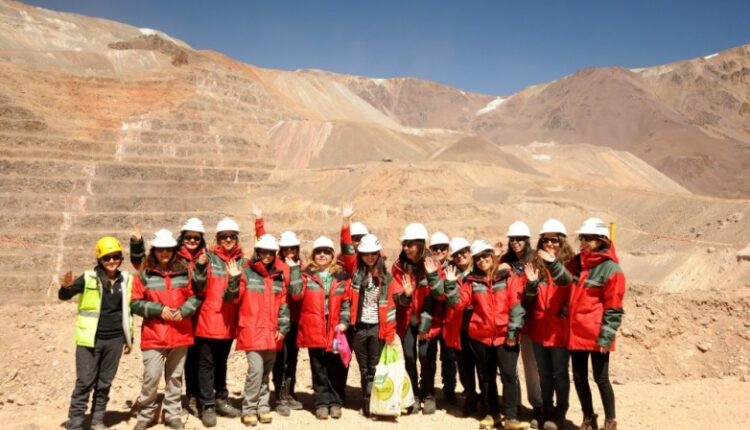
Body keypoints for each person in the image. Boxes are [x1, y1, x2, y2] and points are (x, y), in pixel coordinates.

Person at [538, 218, 625, 430]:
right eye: (582, 238)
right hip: (576, 332)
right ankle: (588, 417)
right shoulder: (578, 262)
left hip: (596, 333)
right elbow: (564, 280)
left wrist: (607, 336)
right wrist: (552, 263)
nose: (583, 242)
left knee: (601, 378)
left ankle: (610, 421)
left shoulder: (611, 269)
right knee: (578, 377)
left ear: (600, 241)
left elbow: (613, 307)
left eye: (587, 238)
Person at [129, 217, 209, 417]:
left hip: (180, 334)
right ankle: (147, 413)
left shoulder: (184, 271)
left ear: (174, 250)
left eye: (168, 249)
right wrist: (159, 310)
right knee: (151, 377)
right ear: (154, 250)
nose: (164, 253)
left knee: (175, 378)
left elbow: (196, 294)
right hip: (154, 335)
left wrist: (184, 311)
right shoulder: (145, 273)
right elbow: (134, 302)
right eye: (160, 249)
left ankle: (172, 413)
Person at [445, 240, 528, 430]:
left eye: (485, 256)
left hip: (505, 336)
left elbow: (516, 306)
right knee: (486, 376)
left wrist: (513, 332)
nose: (482, 260)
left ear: (492, 256)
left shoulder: (508, 277)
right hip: (480, 337)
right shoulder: (472, 281)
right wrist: (450, 285)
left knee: (508, 376)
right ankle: (493, 413)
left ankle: (511, 417)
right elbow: (458, 304)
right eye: (478, 258)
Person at [59, 236, 134, 430]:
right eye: (107, 257)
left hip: (115, 340)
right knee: (84, 382)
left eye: (116, 257)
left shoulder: (126, 279)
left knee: (104, 383)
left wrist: (129, 337)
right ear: (99, 259)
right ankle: (75, 422)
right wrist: (65, 288)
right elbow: (66, 295)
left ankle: (97, 420)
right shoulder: (88, 278)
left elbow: (129, 310)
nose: (112, 261)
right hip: (89, 339)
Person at [224, 233, 292, 426]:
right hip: (252, 331)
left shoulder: (278, 278)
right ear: (257, 252)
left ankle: (263, 407)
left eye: (271, 252)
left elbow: (284, 305)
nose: (267, 256)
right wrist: (234, 279)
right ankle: (249, 409)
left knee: (265, 372)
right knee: (256, 371)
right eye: (263, 252)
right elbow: (232, 299)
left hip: (272, 333)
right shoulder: (246, 273)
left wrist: (284, 327)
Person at [290, 231, 352, 420]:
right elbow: (295, 294)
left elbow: (346, 302)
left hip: (334, 329)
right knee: (318, 368)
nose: (322, 255)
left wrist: (344, 322)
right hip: (314, 328)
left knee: (335, 367)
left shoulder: (341, 276)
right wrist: (293, 270)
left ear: (332, 255)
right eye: (319, 251)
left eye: (326, 251)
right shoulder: (306, 275)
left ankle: (335, 402)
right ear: (313, 255)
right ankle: (321, 403)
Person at [194, 218, 245, 427]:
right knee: (206, 364)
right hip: (208, 319)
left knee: (221, 362)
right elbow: (198, 287)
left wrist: (234, 278)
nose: (228, 240)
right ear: (218, 238)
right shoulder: (209, 258)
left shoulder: (242, 261)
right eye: (224, 237)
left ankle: (221, 399)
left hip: (227, 321)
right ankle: (207, 404)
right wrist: (199, 267)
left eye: (232, 236)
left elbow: (235, 296)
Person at [524, 219, 575, 430]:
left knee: (560, 373)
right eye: (546, 240)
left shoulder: (570, 264)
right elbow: (528, 299)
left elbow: (573, 287)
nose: (550, 244)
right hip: (539, 328)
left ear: (561, 241)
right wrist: (531, 285)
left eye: (554, 240)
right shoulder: (535, 264)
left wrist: (567, 309)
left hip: (559, 330)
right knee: (544, 373)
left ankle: (560, 411)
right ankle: (546, 407)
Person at [391, 222, 446, 415]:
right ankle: (412, 394)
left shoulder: (433, 265)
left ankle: (428, 393)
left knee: (426, 355)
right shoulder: (399, 266)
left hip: (428, 319)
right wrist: (406, 295)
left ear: (421, 245)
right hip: (406, 319)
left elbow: (438, 296)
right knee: (408, 356)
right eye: (404, 244)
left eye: (410, 244)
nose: (406, 248)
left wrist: (425, 325)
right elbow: (396, 295)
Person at [345, 233, 398, 417]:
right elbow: (345, 248)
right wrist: (346, 222)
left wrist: (389, 333)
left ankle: (373, 405)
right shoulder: (356, 272)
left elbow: (391, 306)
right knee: (364, 367)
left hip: (377, 328)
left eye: (373, 253)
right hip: (359, 327)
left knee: (375, 368)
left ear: (378, 253)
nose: (369, 257)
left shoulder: (386, 277)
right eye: (365, 253)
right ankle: (367, 402)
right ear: (360, 255)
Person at [502, 221, 543, 427]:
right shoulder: (505, 262)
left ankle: (537, 405)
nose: (515, 243)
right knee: (510, 366)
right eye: (513, 239)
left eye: (519, 239)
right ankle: (513, 403)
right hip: (506, 321)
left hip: (529, 321)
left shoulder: (534, 260)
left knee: (531, 365)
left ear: (526, 241)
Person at [442, 237, 483, 416]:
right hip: (458, 327)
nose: (460, 257)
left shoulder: (481, 269)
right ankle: (471, 398)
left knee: (482, 366)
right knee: (464, 367)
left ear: (470, 252)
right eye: (456, 254)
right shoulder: (450, 273)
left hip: (479, 327)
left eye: (463, 252)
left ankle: (487, 401)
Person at [271, 229, 304, 415]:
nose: (289, 251)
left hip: (295, 319)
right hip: (279, 319)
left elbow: (299, 295)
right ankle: (280, 395)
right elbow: (294, 293)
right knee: (280, 359)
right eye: (285, 248)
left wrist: (296, 268)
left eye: (293, 248)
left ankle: (290, 392)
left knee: (292, 358)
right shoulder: (277, 265)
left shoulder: (299, 265)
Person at [429, 232, 458, 404]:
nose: (439, 251)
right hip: (431, 320)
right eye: (435, 248)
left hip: (448, 320)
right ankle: (428, 391)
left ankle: (449, 390)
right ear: (430, 250)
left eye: (443, 248)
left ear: (448, 250)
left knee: (449, 358)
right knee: (428, 357)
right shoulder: (425, 267)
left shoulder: (453, 268)